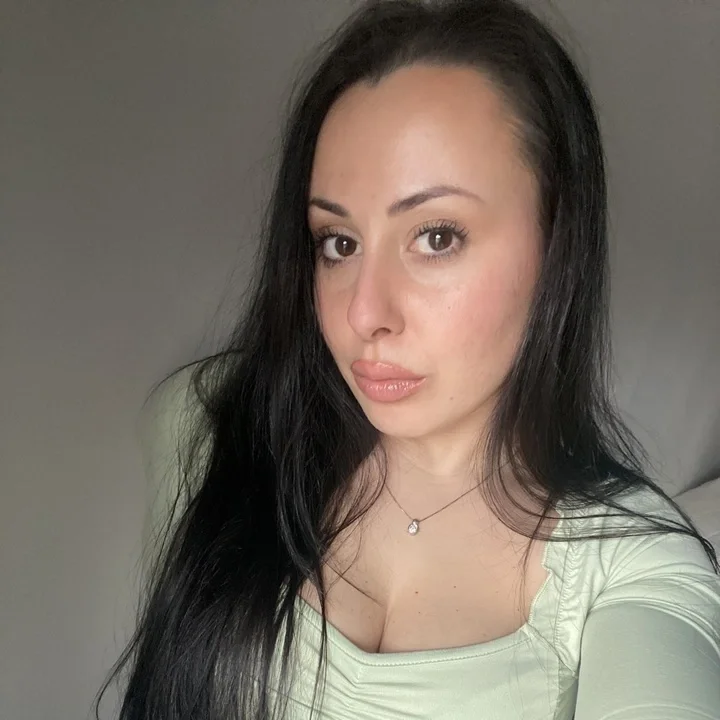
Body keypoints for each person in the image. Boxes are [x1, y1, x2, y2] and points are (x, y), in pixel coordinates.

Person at [97, 1, 720, 718]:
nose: (364, 314)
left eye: (436, 237)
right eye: (339, 243)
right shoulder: (210, 426)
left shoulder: (632, 566)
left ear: (558, 245)